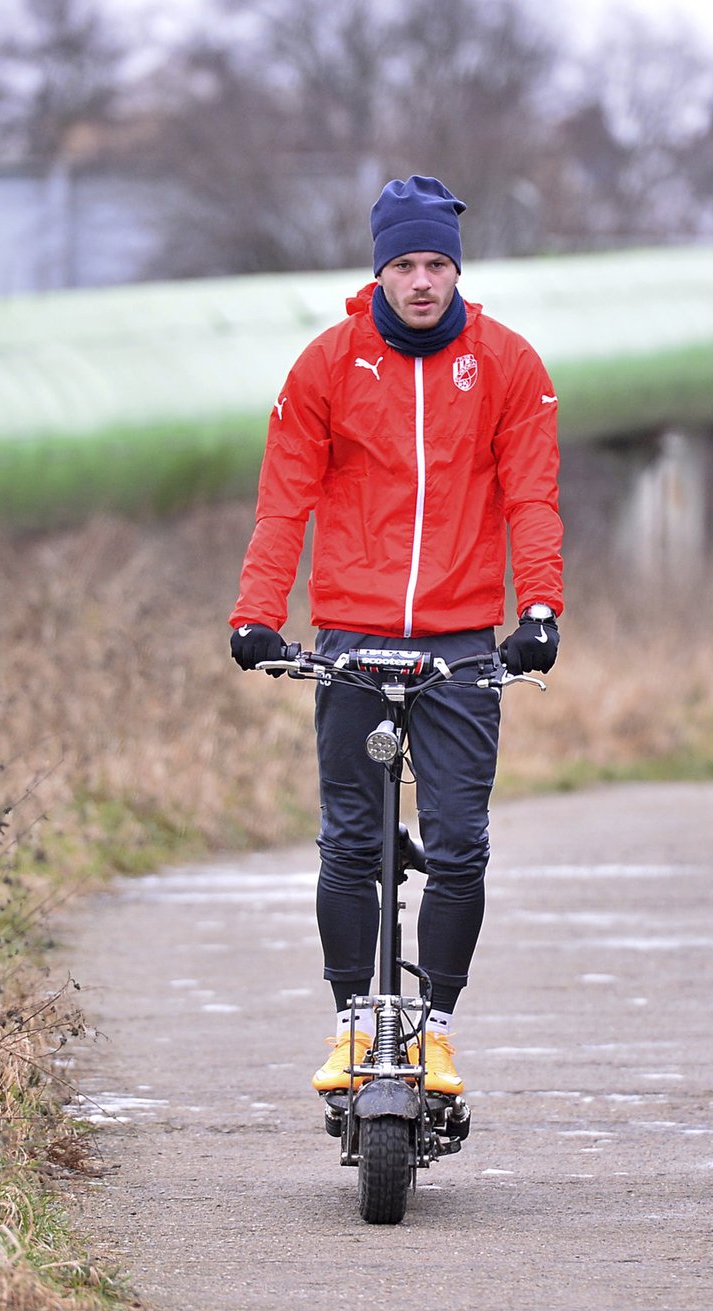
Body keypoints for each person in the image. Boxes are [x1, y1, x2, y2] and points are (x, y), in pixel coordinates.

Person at [229, 174, 563, 1098]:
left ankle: (440, 1029)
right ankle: (349, 1027)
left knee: (458, 845)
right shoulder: (327, 365)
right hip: (349, 636)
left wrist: (540, 610)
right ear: (380, 269)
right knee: (349, 841)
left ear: (458, 268)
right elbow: (283, 502)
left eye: (437, 264)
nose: (422, 282)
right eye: (405, 264)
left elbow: (531, 499)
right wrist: (256, 614)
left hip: (462, 642)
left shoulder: (510, 366)